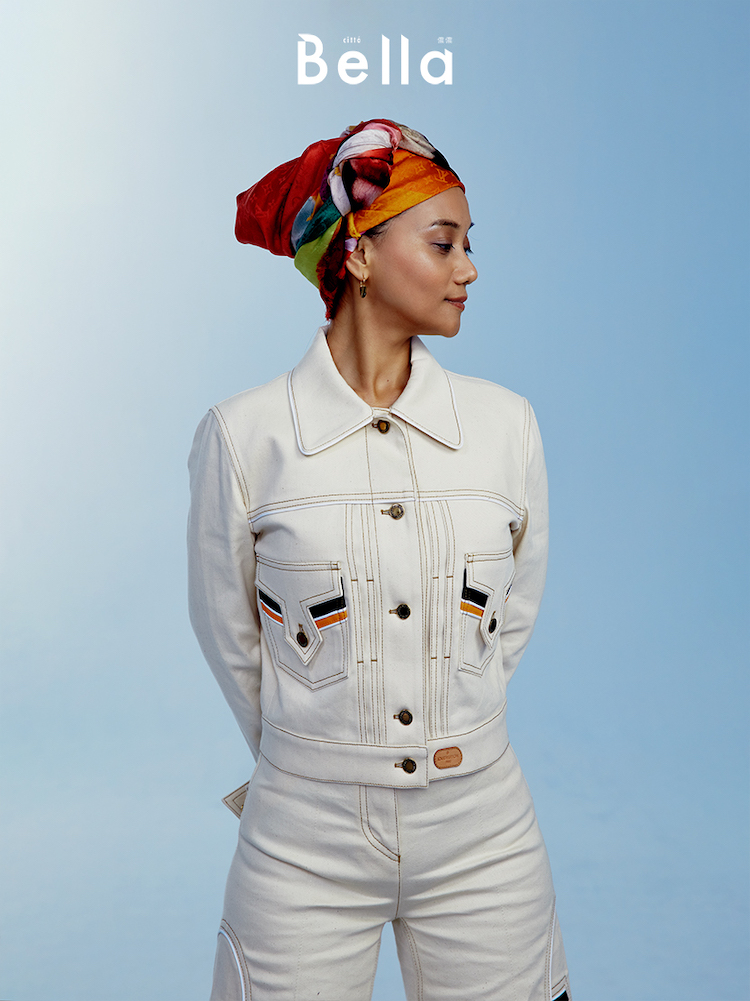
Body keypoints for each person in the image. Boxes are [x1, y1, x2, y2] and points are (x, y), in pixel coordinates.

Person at [188, 119, 571, 1001]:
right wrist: (317, 751)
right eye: (443, 242)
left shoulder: (508, 427)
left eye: (469, 243)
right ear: (358, 253)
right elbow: (231, 638)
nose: (469, 268)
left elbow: (507, 626)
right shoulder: (244, 438)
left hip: (485, 835)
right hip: (300, 843)